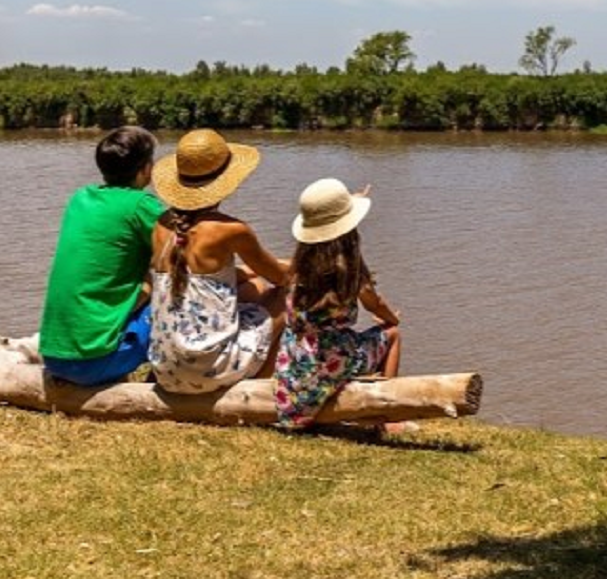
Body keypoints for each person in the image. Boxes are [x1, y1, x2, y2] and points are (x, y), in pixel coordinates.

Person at [146, 128, 289, 393]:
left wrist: (245, 274)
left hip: (165, 369)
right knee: (287, 296)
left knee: (252, 287)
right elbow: (280, 277)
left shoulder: (160, 225)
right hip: (207, 372)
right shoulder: (231, 230)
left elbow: (195, 274)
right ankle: (259, 389)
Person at [272, 177, 404, 430]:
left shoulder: (300, 266)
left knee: (346, 340)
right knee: (393, 335)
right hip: (331, 359)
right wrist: (392, 319)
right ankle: (387, 413)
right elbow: (375, 305)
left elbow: (329, 218)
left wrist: (353, 200)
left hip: (295, 361)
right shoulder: (350, 270)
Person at [39, 126, 163, 386]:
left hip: (54, 357)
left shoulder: (80, 198)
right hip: (94, 363)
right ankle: (168, 382)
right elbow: (187, 255)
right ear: (145, 169)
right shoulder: (142, 205)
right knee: (182, 297)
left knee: (140, 285)